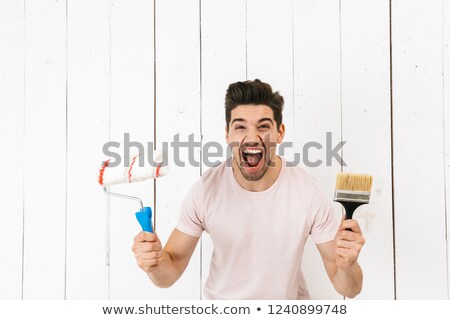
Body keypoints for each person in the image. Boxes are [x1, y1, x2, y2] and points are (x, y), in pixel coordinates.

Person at [131, 79, 366, 299]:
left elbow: (349, 288)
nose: (252, 137)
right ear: (228, 134)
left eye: (263, 126)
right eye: (240, 127)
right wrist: (155, 263)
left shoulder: (308, 193)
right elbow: (169, 273)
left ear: (279, 133)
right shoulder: (205, 191)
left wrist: (347, 266)